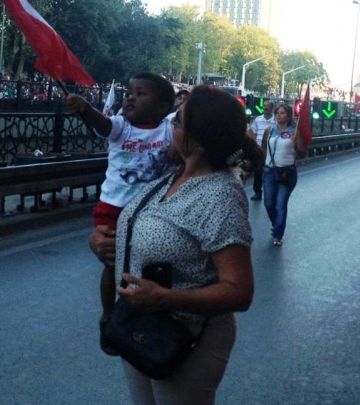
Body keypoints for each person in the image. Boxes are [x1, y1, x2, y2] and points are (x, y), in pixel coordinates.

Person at [90, 86, 264, 404]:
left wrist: (166, 298)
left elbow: (240, 291)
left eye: (178, 121)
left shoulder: (220, 194)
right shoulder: (172, 174)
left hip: (188, 340)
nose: (171, 123)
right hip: (141, 326)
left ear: (198, 136)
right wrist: (102, 242)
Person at [66, 72, 175, 353]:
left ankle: (143, 312)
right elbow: (100, 124)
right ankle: (108, 314)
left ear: (163, 108)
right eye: (129, 92)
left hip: (150, 211)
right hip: (113, 207)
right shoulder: (121, 127)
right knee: (112, 264)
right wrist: (85, 108)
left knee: (145, 264)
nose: (131, 97)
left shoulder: (168, 130)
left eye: (141, 94)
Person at [261, 103, 307, 246]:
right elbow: (263, 148)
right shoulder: (269, 130)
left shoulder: (294, 132)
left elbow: (302, 153)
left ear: (288, 116)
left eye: (282, 113)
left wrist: (296, 145)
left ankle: (278, 235)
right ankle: (277, 224)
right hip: (269, 170)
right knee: (268, 203)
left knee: (281, 204)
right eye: (277, 113)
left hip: (286, 172)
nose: (278, 115)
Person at [250, 100, 275, 200]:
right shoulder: (258, 120)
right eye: (264, 106)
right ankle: (257, 192)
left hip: (271, 149)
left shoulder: (275, 121)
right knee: (258, 171)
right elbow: (253, 134)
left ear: (272, 108)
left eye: (268, 106)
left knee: (271, 171)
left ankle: (271, 192)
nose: (266, 108)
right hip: (260, 149)